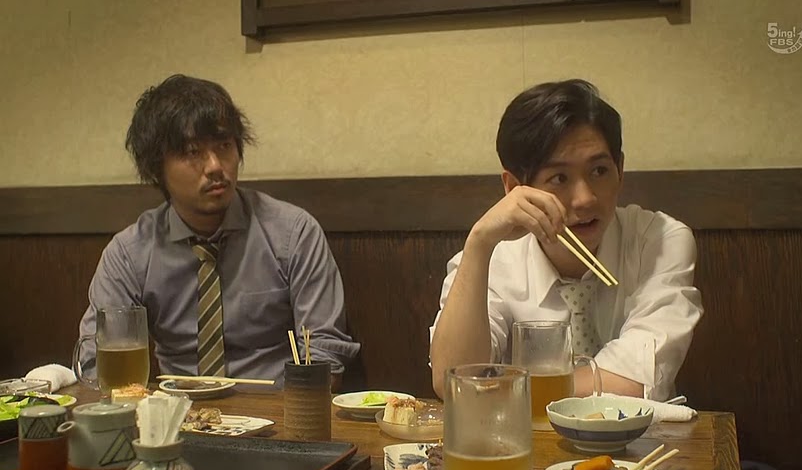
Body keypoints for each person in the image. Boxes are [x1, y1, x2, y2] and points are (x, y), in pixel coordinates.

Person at [78, 74, 359, 390]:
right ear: (157, 168)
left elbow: (324, 354)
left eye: (224, 146)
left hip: (276, 411)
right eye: (191, 151)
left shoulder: (292, 233)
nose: (214, 166)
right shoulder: (130, 252)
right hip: (177, 412)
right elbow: (95, 361)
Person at [429, 79, 703, 401]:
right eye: (559, 178)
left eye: (599, 171)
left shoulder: (659, 242)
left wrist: (499, 389)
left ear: (620, 170)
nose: (585, 199)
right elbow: (454, 382)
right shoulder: (493, 259)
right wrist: (479, 243)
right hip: (519, 434)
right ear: (514, 187)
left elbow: (636, 381)